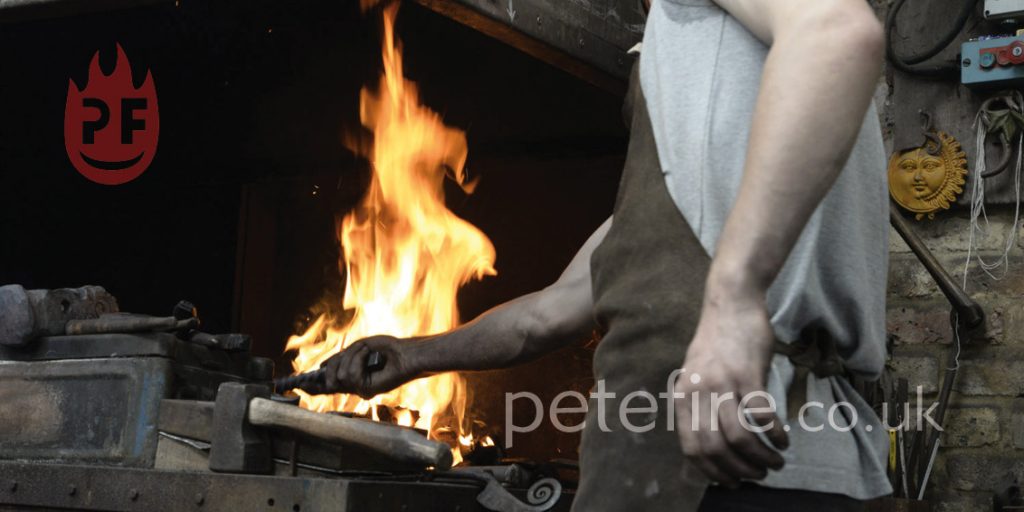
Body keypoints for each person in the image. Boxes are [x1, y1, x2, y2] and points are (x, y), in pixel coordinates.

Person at [322, 0, 890, 509]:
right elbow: (548, 314)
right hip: (703, 462)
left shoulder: (740, 221)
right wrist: (414, 355)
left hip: (727, 464)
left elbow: (835, 32)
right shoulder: (689, 204)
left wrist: (733, 301)